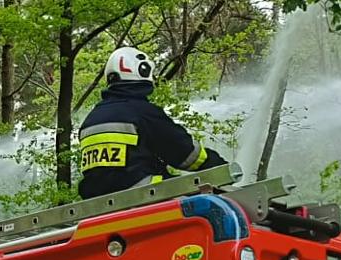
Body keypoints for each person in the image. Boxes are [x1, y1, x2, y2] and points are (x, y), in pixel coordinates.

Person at [77, 46, 228, 199]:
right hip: (142, 193)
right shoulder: (142, 111)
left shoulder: (90, 120)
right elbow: (184, 154)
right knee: (207, 201)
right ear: (142, 70)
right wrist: (220, 168)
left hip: (96, 204)